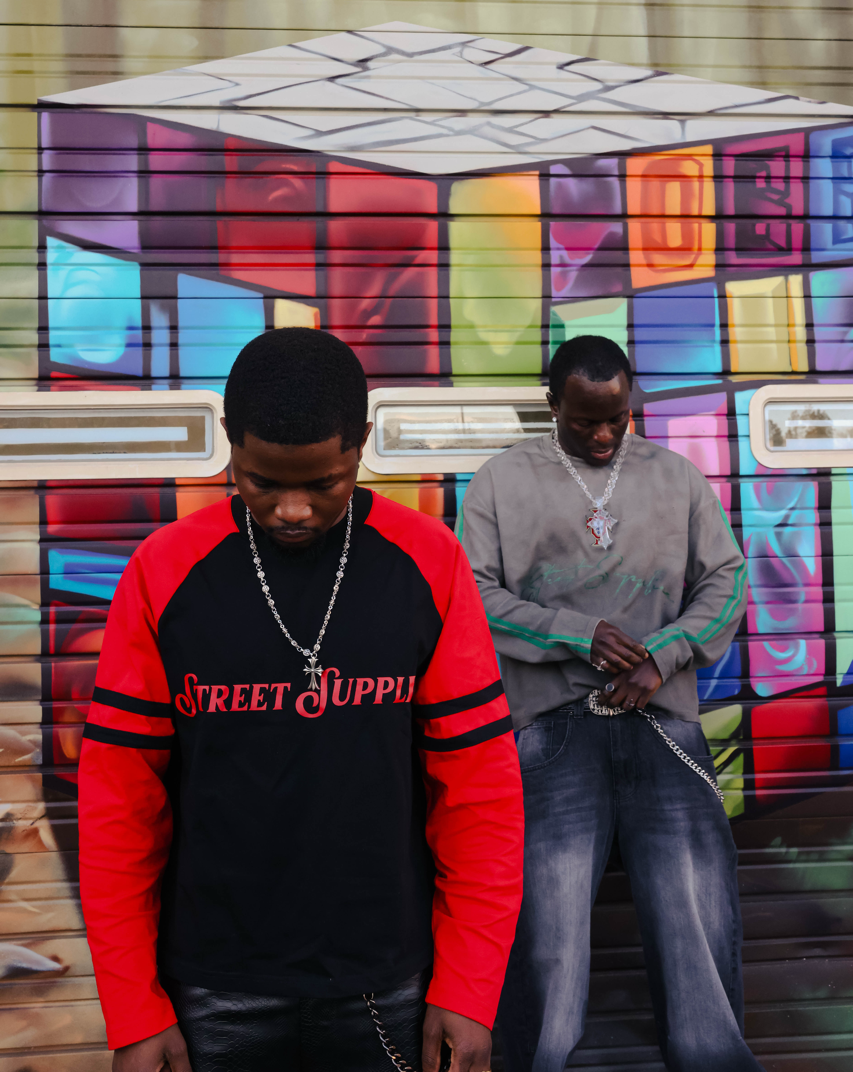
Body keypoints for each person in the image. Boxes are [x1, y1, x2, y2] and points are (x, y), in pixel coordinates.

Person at [78, 327, 524, 1072]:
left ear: (361, 446)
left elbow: (479, 795)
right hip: (213, 991)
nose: (291, 510)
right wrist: (133, 1011)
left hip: (388, 984)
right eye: (260, 481)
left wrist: (469, 989)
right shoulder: (165, 572)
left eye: (323, 484)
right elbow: (121, 807)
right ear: (228, 445)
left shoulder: (428, 563)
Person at [457, 334, 763, 1072]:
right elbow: (472, 592)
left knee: (694, 924)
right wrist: (576, 634)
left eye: (615, 419)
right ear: (550, 404)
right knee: (546, 938)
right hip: (552, 727)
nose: (599, 435)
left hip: (662, 723)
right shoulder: (500, 480)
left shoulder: (677, 477)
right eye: (582, 421)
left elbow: (726, 582)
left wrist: (665, 654)